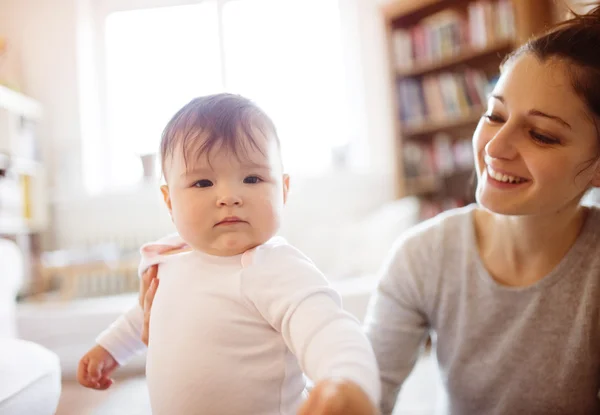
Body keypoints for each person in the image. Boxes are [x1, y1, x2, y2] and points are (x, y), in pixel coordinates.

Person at [76, 94, 380, 415]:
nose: (229, 196)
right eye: (203, 182)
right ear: (169, 201)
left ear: (284, 190)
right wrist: (110, 348)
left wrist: (344, 383)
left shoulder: (273, 267)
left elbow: (327, 330)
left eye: (252, 178)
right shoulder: (168, 259)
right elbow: (146, 315)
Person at [365, 5, 600, 415]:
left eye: (541, 135)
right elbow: (368, 386)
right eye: (494, 114)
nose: (494, 147)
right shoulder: (423, 255)